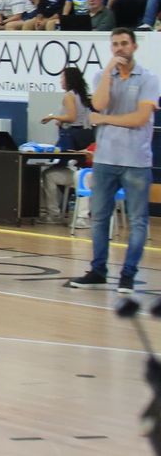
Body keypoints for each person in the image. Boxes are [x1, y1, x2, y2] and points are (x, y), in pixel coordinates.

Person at [68, 29, 158, 293]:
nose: (120, 48)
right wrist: (108, 71)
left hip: (136, 160)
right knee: (99, 217)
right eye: (115, 44)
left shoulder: (149, 79)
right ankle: (98, 270)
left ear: (134, 46)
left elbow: (139, 118)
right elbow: (98, 104)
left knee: (138, 220)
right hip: (105, 159)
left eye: (124, 43)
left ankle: (128, 274)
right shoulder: (102, 76)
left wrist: (105, 119)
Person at [40, 67, 95, 152]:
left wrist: (53, 117)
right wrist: (61, 120)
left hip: (71, 135)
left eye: (62, 78)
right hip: (85, 134)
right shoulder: (81, 95)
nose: (60, 81)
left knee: (62, 158)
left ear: (69, 79)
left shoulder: (69, 95)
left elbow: (71, 117)